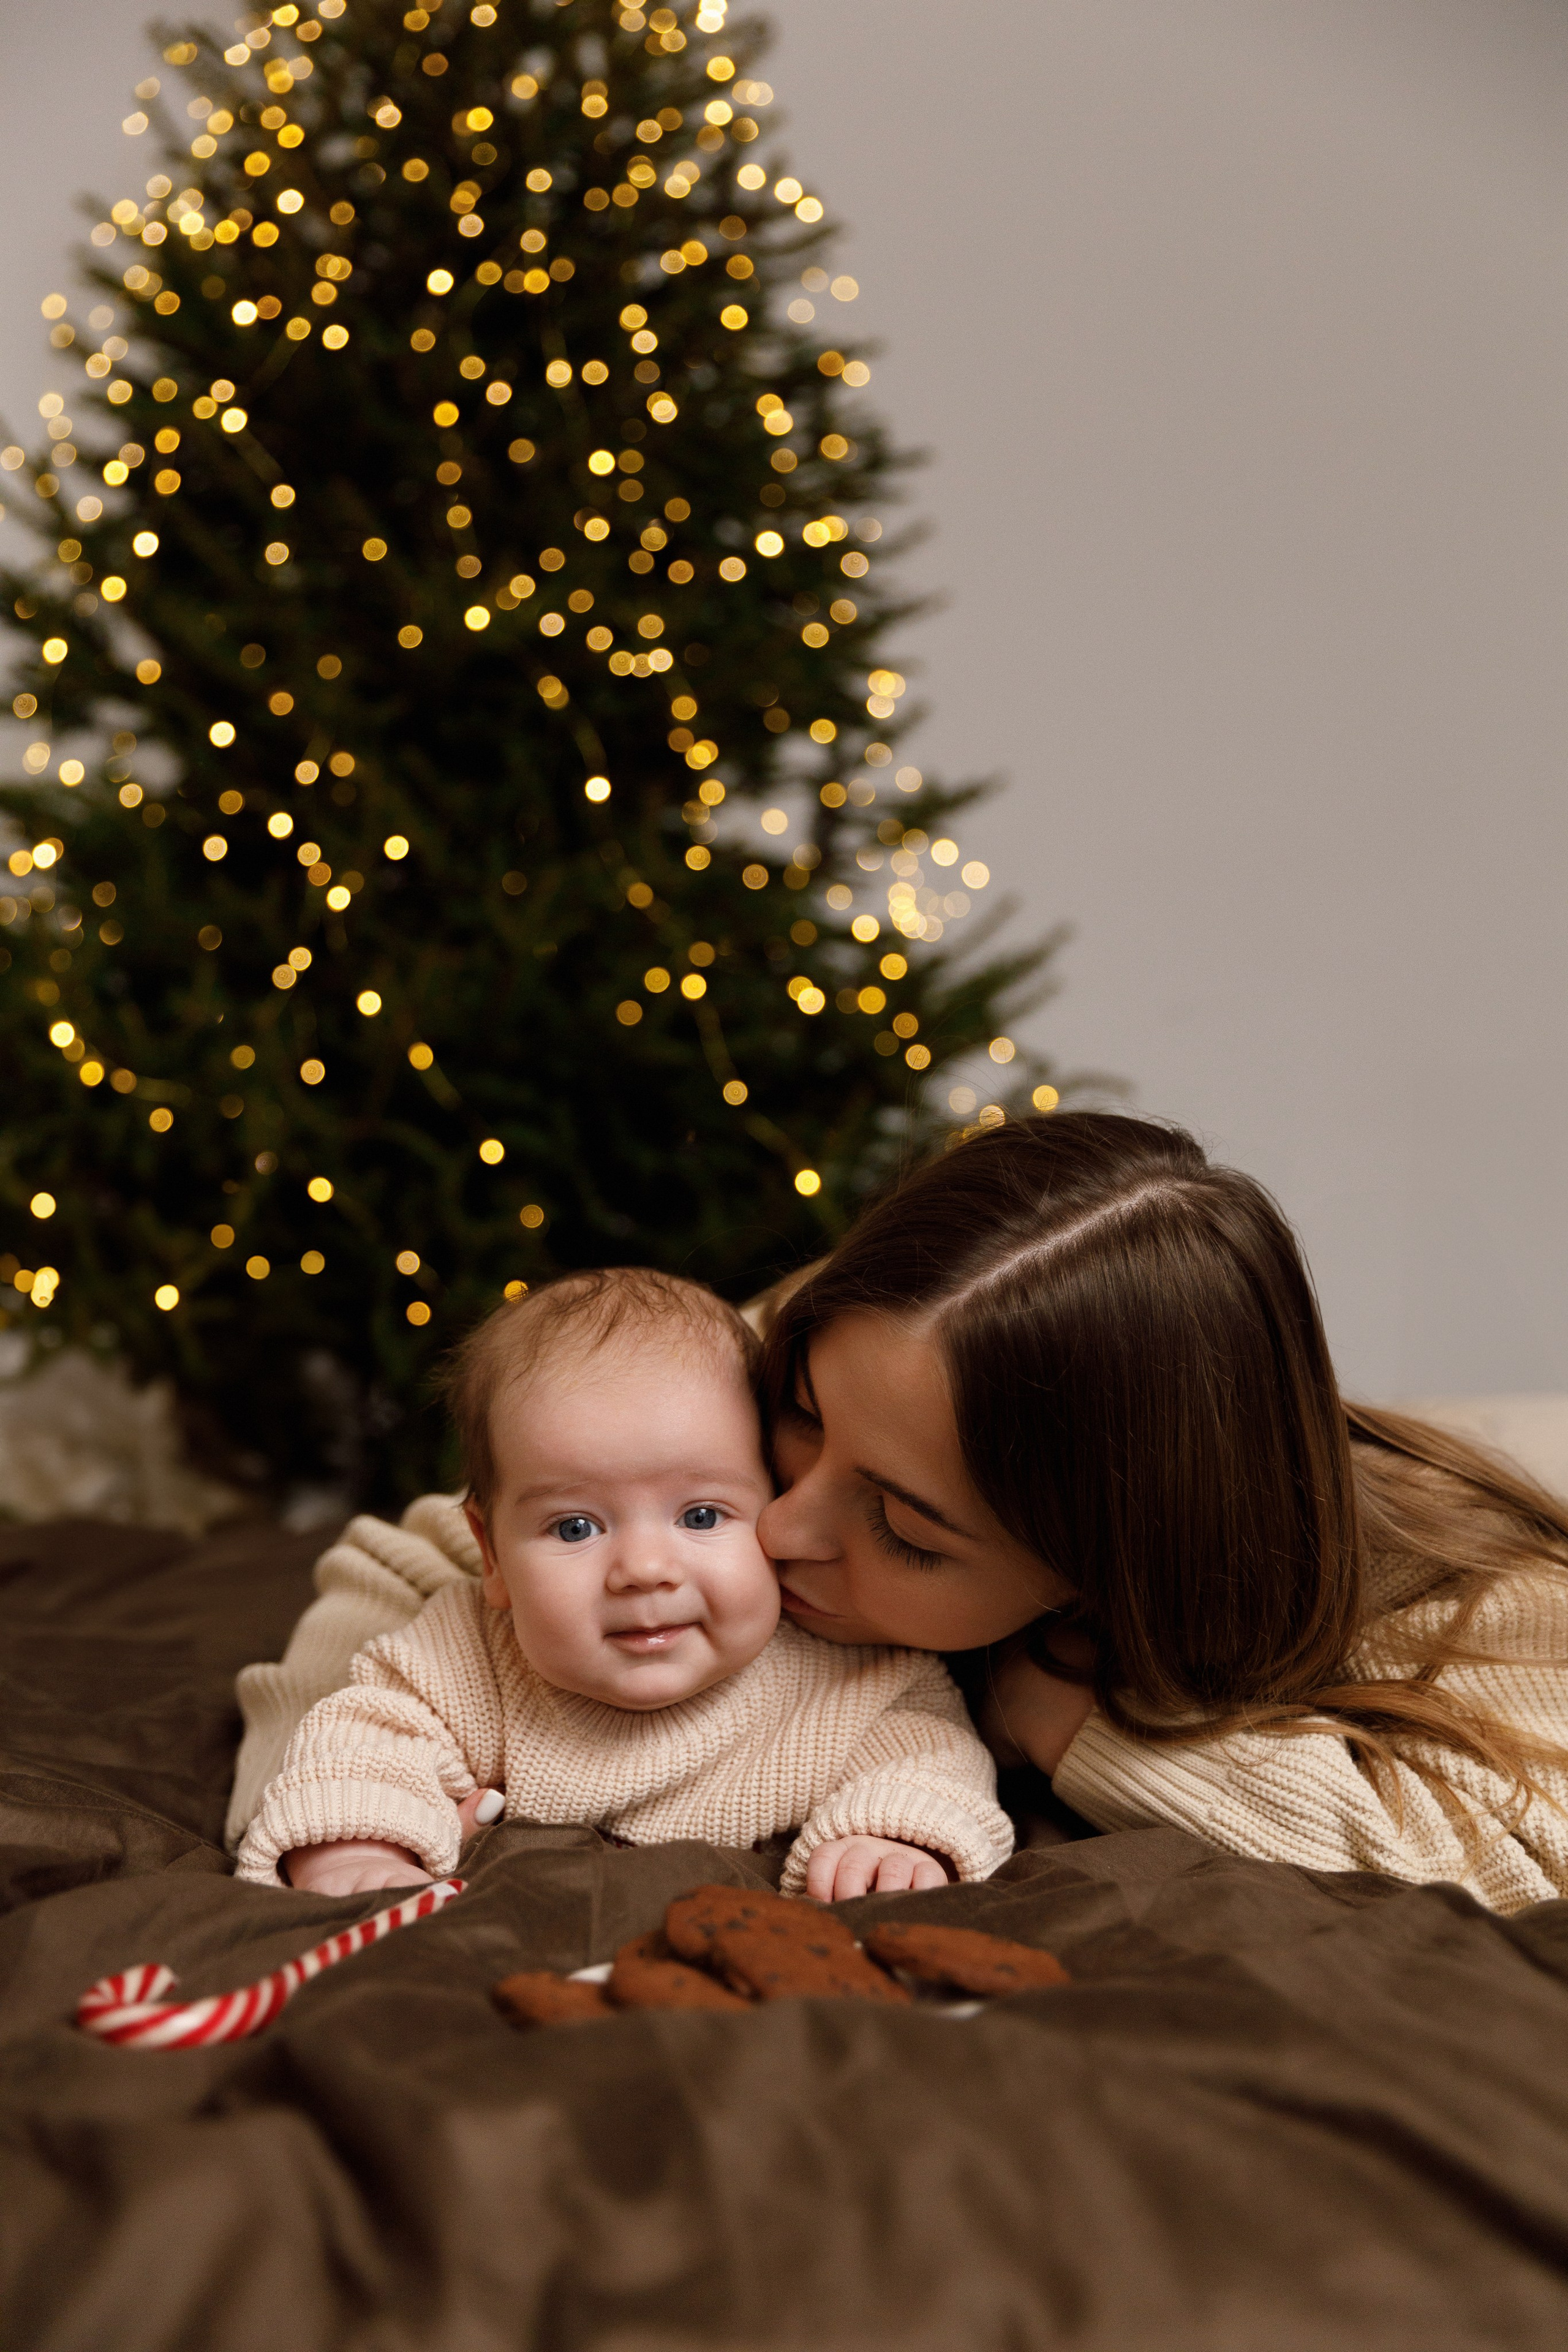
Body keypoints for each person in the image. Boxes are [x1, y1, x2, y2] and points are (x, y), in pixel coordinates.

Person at [753, 1112, 1568, 1916]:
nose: (778, 1529)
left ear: (1106, 1572)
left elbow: (1523, 1877)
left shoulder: (1482, 1600)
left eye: (903, 1528)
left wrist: (1060, 1704)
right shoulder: (886, 1330)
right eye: (801, 1413)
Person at [235, 1268, 1012, 1901]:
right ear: (492, 1556)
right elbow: (364, 1734)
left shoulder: (844, 1671)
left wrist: (890, 1836)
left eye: (703, 1515)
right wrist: (357, 1841)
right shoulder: (467, 1651)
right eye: (575, 1528)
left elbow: (929, 1753)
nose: (644, 1569)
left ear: (771, 1499)